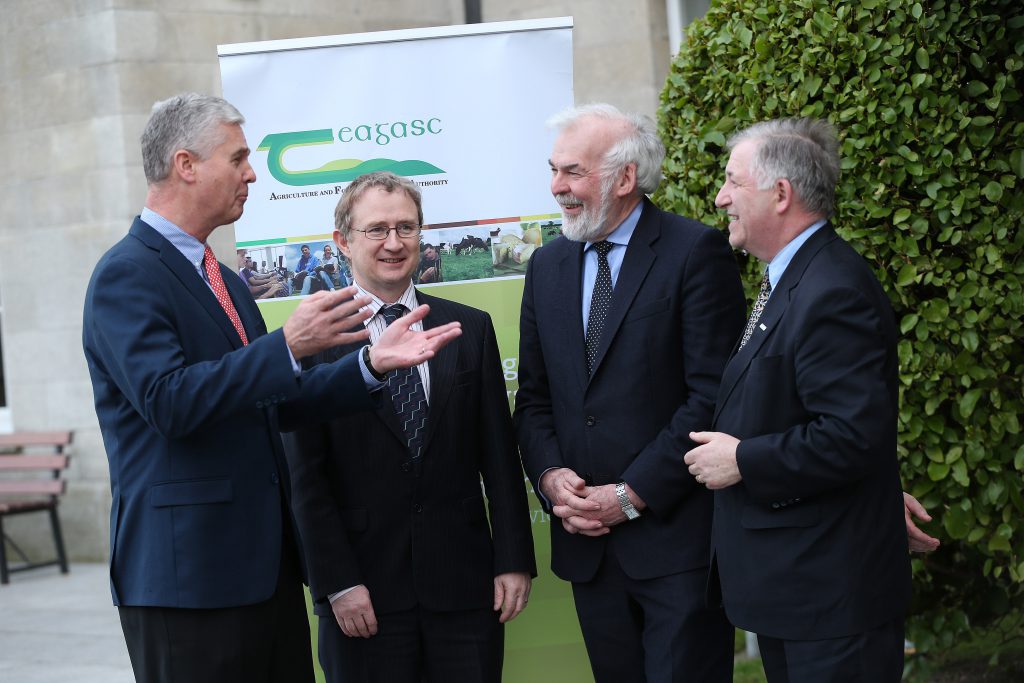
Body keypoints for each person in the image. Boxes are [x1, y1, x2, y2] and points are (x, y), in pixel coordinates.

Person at [82, 93, 461, 683]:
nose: (252, 172)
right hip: (189, 581)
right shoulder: (126, 273)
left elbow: (270, 405)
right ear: (186, 164)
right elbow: (169, 402)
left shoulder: (226, 283)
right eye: (237, 159)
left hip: (266, 572)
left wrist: (369, 366)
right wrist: (287, 344)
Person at [513, 103, 745, 682]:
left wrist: (632, 494)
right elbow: (536, 397)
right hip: (588, 549)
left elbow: (712, 396)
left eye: (572, 172)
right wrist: (549, 478)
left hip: (678, 549)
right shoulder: (547, 265)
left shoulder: (695, 253)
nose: (556, 187)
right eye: (553, 169)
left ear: (624, 177)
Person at [683, 118, 912, 682]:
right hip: (801, 593)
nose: (721, 197)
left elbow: (852, 436)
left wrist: (742, 460)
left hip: (831, 599)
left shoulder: (830, 289)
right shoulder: (793, 278)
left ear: (780, 194)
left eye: (733, 182)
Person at [285, 171, 535, 683]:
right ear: (343, 242)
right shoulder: (311, 343)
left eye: (406, 228)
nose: (394, 244)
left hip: (465, 590)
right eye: (377, 229)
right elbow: (305, 479)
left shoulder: (469, 328)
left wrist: (513, 558)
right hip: (364, 596)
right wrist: (336, 583)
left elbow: (499, 456)